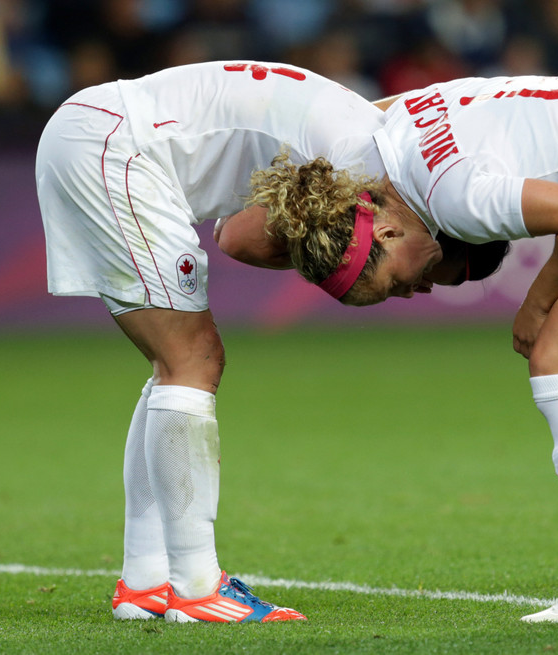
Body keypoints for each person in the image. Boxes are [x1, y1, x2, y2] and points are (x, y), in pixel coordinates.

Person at [248, 74, 558, 623]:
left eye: (394, 284)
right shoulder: (389, 135)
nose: (413, 291)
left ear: (388, 234)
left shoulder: (455, 196)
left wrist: (536, 306)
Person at [35, 59, 395, 624]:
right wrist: (337, 265)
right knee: (192, 359)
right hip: (118, 146)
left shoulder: (364, 129)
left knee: (175, 364)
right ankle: (198, 587)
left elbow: (233, 230)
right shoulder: (369, 158)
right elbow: (240, 239)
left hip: (100, 130)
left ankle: (147, 581)